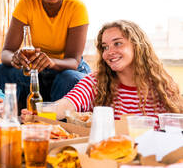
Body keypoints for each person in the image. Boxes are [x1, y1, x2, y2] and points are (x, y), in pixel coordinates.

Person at [22, 20, 183, 121]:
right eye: (105, 47)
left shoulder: (161, 84)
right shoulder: (96, 82)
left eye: (118, 43)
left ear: (137, 46)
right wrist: (37, 114)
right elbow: (67, 105)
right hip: (109, 160)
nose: (109, 52)